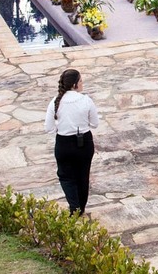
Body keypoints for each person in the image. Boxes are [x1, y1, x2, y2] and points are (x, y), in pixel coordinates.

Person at [44, 68, 100, 215]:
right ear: (75, 84)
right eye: (80, 81)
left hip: (64, 143)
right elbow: (95, 124)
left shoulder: (55, 102)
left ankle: (74, 206)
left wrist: (62, 128)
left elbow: (48, 128)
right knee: (83, 175)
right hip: (84, 143)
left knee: (66, 176)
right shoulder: (86, 101)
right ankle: (80, 207)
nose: (82, 83)